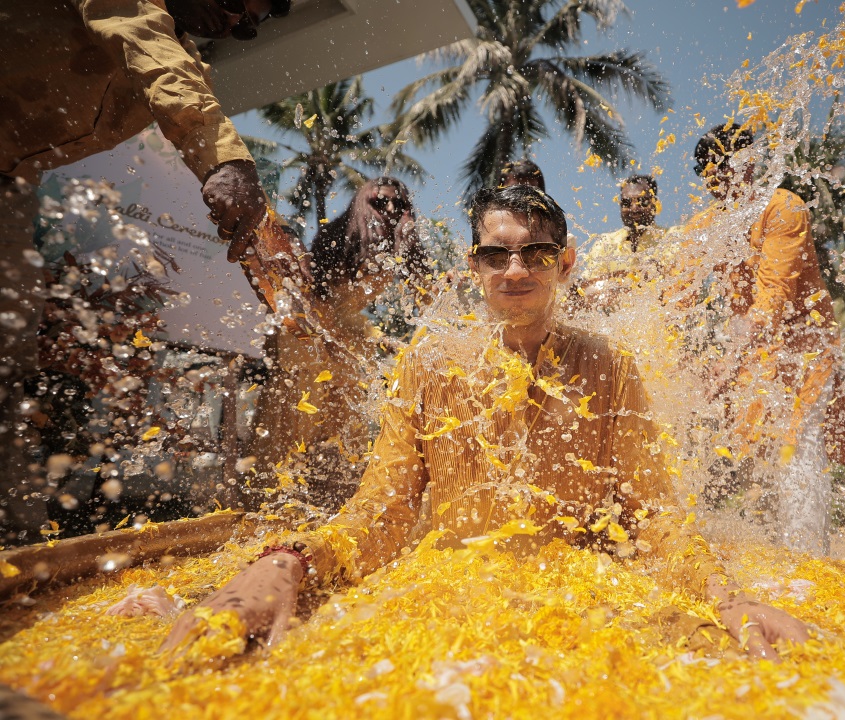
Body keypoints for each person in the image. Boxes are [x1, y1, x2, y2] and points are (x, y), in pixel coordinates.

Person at [163, 185, 809, 660]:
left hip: (579, 604)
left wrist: (727, 598)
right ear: (473, 265)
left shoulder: (610, 366)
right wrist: (287, 564)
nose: (517, 271)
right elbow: (380, 513)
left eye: (537, 252)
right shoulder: (429, 363)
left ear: (567, 262)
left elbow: (655, 514)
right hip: (453, 595)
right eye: (497, 256)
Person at [0, 0, 299, 543]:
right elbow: (146, 42)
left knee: (7, 374)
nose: (246, 25)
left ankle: (13, 546)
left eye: (262, 17)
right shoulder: (154, 37)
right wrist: (227, 162)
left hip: (9, 182)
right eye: (243, 3)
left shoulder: (187, 65)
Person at [686, 123, 845, 554]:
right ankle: (771, 557)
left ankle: (807, 564)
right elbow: (677, 291)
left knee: (796, 447)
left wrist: (730, 359)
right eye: (711, 173)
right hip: (750, 353)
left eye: (729, 167)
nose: (722, 180)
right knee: (755, 455)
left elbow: (773, 297)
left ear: (750, 166)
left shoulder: (785, 208)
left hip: (803, 348)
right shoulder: (706, 224)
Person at [249, 178, 426, 509]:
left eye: (398, 204)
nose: (390, 209)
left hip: (345, 337)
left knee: (345, 435)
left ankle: (332, 515)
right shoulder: (339, 235)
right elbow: (317, 298)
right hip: (305, 335)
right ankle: (266, 510)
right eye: (380, 201)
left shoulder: (397, 244)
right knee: (294, 431)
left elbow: (421, 298)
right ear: (364, 202)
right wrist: (332, 339)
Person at [577, 175, 676, 309]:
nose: (634, 209)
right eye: (626, 203)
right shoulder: (605, 243)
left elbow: (672, 283)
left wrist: (613, 282)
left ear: (655, 204)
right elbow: (587, 290)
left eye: (642, 201)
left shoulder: (672, 237)